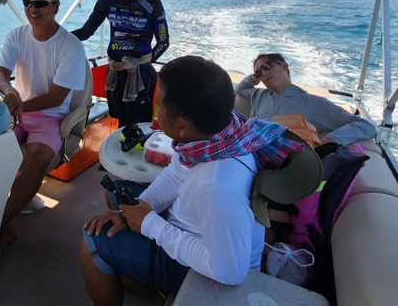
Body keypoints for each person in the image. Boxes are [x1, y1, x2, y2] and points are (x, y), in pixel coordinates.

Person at [80, 56, 304, 305]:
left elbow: (230, 272)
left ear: (181, 125)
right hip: (192, 226)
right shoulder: (221, 135)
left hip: (205, 267)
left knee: (92, 242)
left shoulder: (217, 186)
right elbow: (176, 173)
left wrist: (150, 224)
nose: (157, 111)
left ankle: (145, 273)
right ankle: (144, 281)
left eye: (159, 106)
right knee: (116, 195)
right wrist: (143, 207)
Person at [0, 0, 86, 253]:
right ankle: (0, 217)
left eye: (41, 2)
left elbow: (57, 97)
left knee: (36, 160)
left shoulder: (70, 45)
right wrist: (10, 92)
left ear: (56, 6)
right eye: (28, 2)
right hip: (16, 110)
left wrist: (20, 104)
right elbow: (0, 73)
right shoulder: (16, 36)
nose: (34, 8)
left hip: (50, 116)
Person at [72, 0, 169, 126]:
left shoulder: (152, 4)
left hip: (139, 74)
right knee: (120, 121)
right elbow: (86, 32)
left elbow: (163, 41)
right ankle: (120, 151)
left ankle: (137, 151)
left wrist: (145, 61)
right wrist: (57, 36)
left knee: (139, 124)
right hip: (115, 73)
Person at [235, 53, 377, 146]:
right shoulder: (258, 94)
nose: (264, 73)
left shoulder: (312, 103)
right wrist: (256, 76)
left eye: (267, 66)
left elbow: (366, 126)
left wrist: (329, 140)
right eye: (259, 72)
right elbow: (239, 89)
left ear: (284, 66)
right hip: (245, 149)